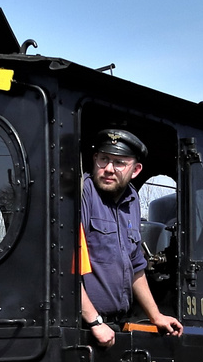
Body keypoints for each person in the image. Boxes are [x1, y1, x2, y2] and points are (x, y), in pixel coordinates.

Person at [78, 129, 182, 346]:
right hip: (83, 328)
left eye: (119, 163)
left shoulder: (131, 200)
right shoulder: (83, 193)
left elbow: (135, 266)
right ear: (94, 159)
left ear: (135, 170)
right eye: (104, 159)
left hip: (114, 326)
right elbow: (64, 266)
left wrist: (156, 316)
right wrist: (94, 321)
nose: (108, 169)